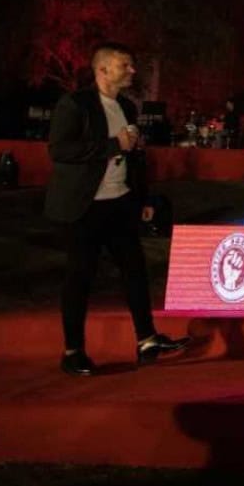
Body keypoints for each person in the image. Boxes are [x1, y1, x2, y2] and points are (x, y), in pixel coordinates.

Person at [45, 43, 188, 376]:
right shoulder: (75, 103)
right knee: (80, 276)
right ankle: (73, 351)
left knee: (135, 270)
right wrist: (115, 144)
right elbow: (60, 149)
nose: (132, 71)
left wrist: (142, 200)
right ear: (103, 69)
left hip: (120, 201)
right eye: (126, 65)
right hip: (84, 206)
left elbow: (134, 158)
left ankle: (147, 339)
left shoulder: (126, 106)